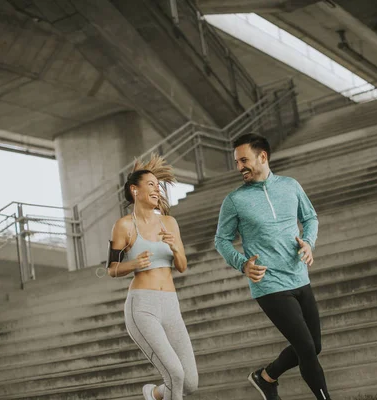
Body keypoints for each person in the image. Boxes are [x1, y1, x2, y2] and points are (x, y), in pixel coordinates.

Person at [215, 134, 331, 400]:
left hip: (299, 276)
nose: (239, 166)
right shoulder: (235, 200)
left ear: (262, 157)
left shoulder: (290, 186)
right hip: (268, 284)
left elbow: (310, 217)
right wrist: (242, 264)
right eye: (236, 161)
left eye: (244, 160)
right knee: (305, 347)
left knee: (315, 346)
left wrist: (308, 243)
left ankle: (266, 377)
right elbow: (221, 239)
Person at [107, 155, 198, 400]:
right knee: (175, 374)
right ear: (134, 190)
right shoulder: (124, 226)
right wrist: (134, 263)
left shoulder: (170, 222)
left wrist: (176, 248)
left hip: (170, 305)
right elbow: (111, 268)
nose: (157, 189)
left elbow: (182, 266)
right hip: (142, 307)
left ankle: (154, 394)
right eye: (151, 184)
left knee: (189, 381)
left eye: (158, 185)